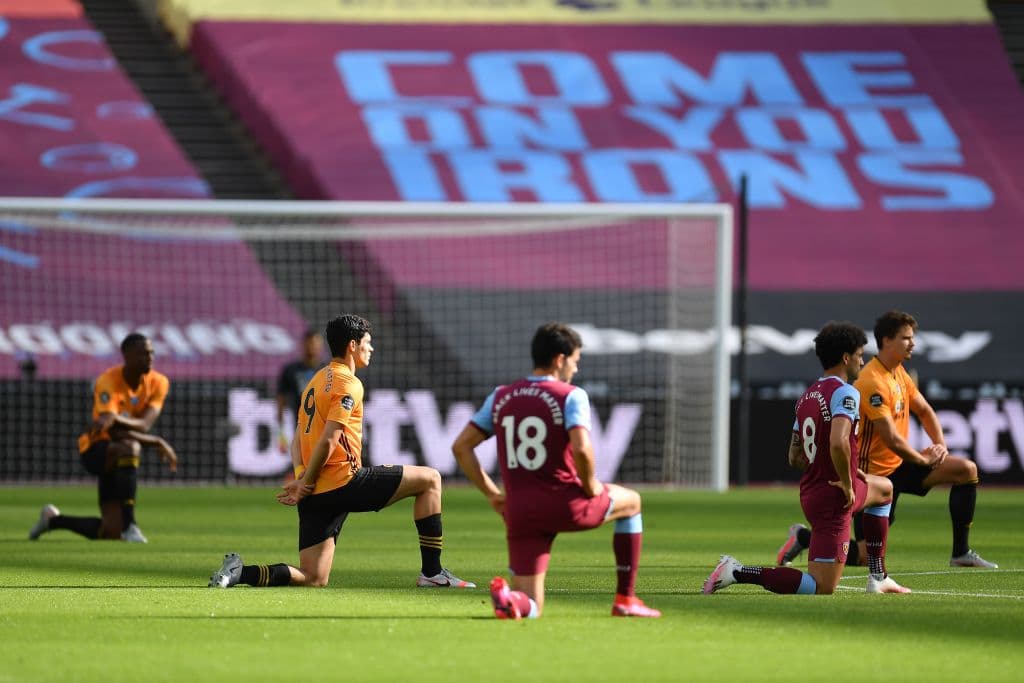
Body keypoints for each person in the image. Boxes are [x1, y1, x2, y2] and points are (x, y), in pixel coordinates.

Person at [209, 314, 474, 589]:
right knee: (431, 479)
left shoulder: (314, 381)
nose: (370, 349)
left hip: (316, 493)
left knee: (313, 577)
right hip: (344, 481)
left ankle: (240, 573)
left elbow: (299, 437)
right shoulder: (348, 383)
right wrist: (307, 482)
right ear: (352, 345)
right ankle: (432, 572)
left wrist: (302, 478)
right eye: (367, 343)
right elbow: (329, 440)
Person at [451, 322, 661, 619]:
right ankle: (626, 598)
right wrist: (591, 487)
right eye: (575, 361)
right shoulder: (571, 395)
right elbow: (582, 448)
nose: (575, 369)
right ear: (560, 359)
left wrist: (493, 495)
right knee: (633, 502)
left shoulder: (500, 395)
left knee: (531, 605)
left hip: (520, 511)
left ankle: (511, 600)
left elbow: (461, 447)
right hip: (566, 503)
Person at [776, 311, 997, 569]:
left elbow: (924, 411)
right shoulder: (870, 381)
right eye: (906, 338)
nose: (912, 343)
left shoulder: (899, 374)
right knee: (860, 556)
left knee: (965, 470)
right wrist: (923, 458)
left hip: (900, 464)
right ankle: (804, 537)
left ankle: (960, 553)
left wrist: (941, 450)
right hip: (875, 473)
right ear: (887, 340)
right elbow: (890, 438)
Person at [704, 322, 910, 596]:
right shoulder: (846, 392)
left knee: (884, 489)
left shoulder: (807, 397)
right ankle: (738, 571)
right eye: (860, 355)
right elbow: (838, 442)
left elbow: (794, 456)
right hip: (834, 498)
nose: (863, 361)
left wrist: (845, 471)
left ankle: (878, 575)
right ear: (846, 358)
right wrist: (847, 483)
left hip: (814, 491)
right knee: (821, 586)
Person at [28, 333, 178, 543]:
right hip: (95, 449)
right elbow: (113, 432)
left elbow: (144, 424)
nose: (150, 357)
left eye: (151, 353)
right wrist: (155, 441)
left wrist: (116, 418)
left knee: (109, 532)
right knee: (130, 447)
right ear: (126, 355)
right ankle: (130, 526)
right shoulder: (108, 381)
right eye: (143, 354)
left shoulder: (159, 382)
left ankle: (52, 520)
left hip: (119, 455)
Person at [276, 329, 325, 454]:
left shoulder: (328, 370)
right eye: (309, 343)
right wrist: (281, 434)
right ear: (303, 345)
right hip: (300, 427)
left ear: (321, 346)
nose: (312, 347)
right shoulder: (291, 370)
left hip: (325, 427)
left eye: (315, 343)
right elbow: (281, 401)